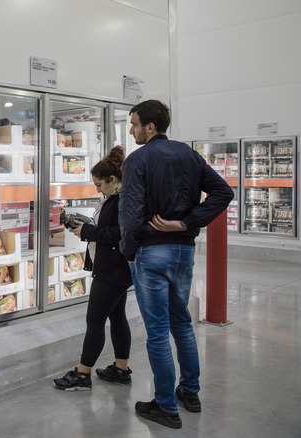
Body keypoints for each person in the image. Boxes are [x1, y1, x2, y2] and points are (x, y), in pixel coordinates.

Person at [119, 100, 233, 429]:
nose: (131, 130)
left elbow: (130, 212)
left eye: (134, 124)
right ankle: (191, 393)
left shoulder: (137, 160)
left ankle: (166, 406)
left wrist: (128, 251)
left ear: (150, 127)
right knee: (182, 324)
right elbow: (223, 192)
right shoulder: (189, 155)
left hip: (151, 254)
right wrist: (185, 224)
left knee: (156, 333)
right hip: (184, 253)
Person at [53, 146, 134, 391]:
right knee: (117, 316)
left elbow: (120, 233)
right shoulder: (117, 197)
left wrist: (87, 231)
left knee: (95, 321)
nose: (97, 189)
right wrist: (87, 227)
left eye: (99, 184)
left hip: (111, 270)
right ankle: (121, 369)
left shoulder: (122, 200)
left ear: (112, 180)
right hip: (119, 269)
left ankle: (82, 374)